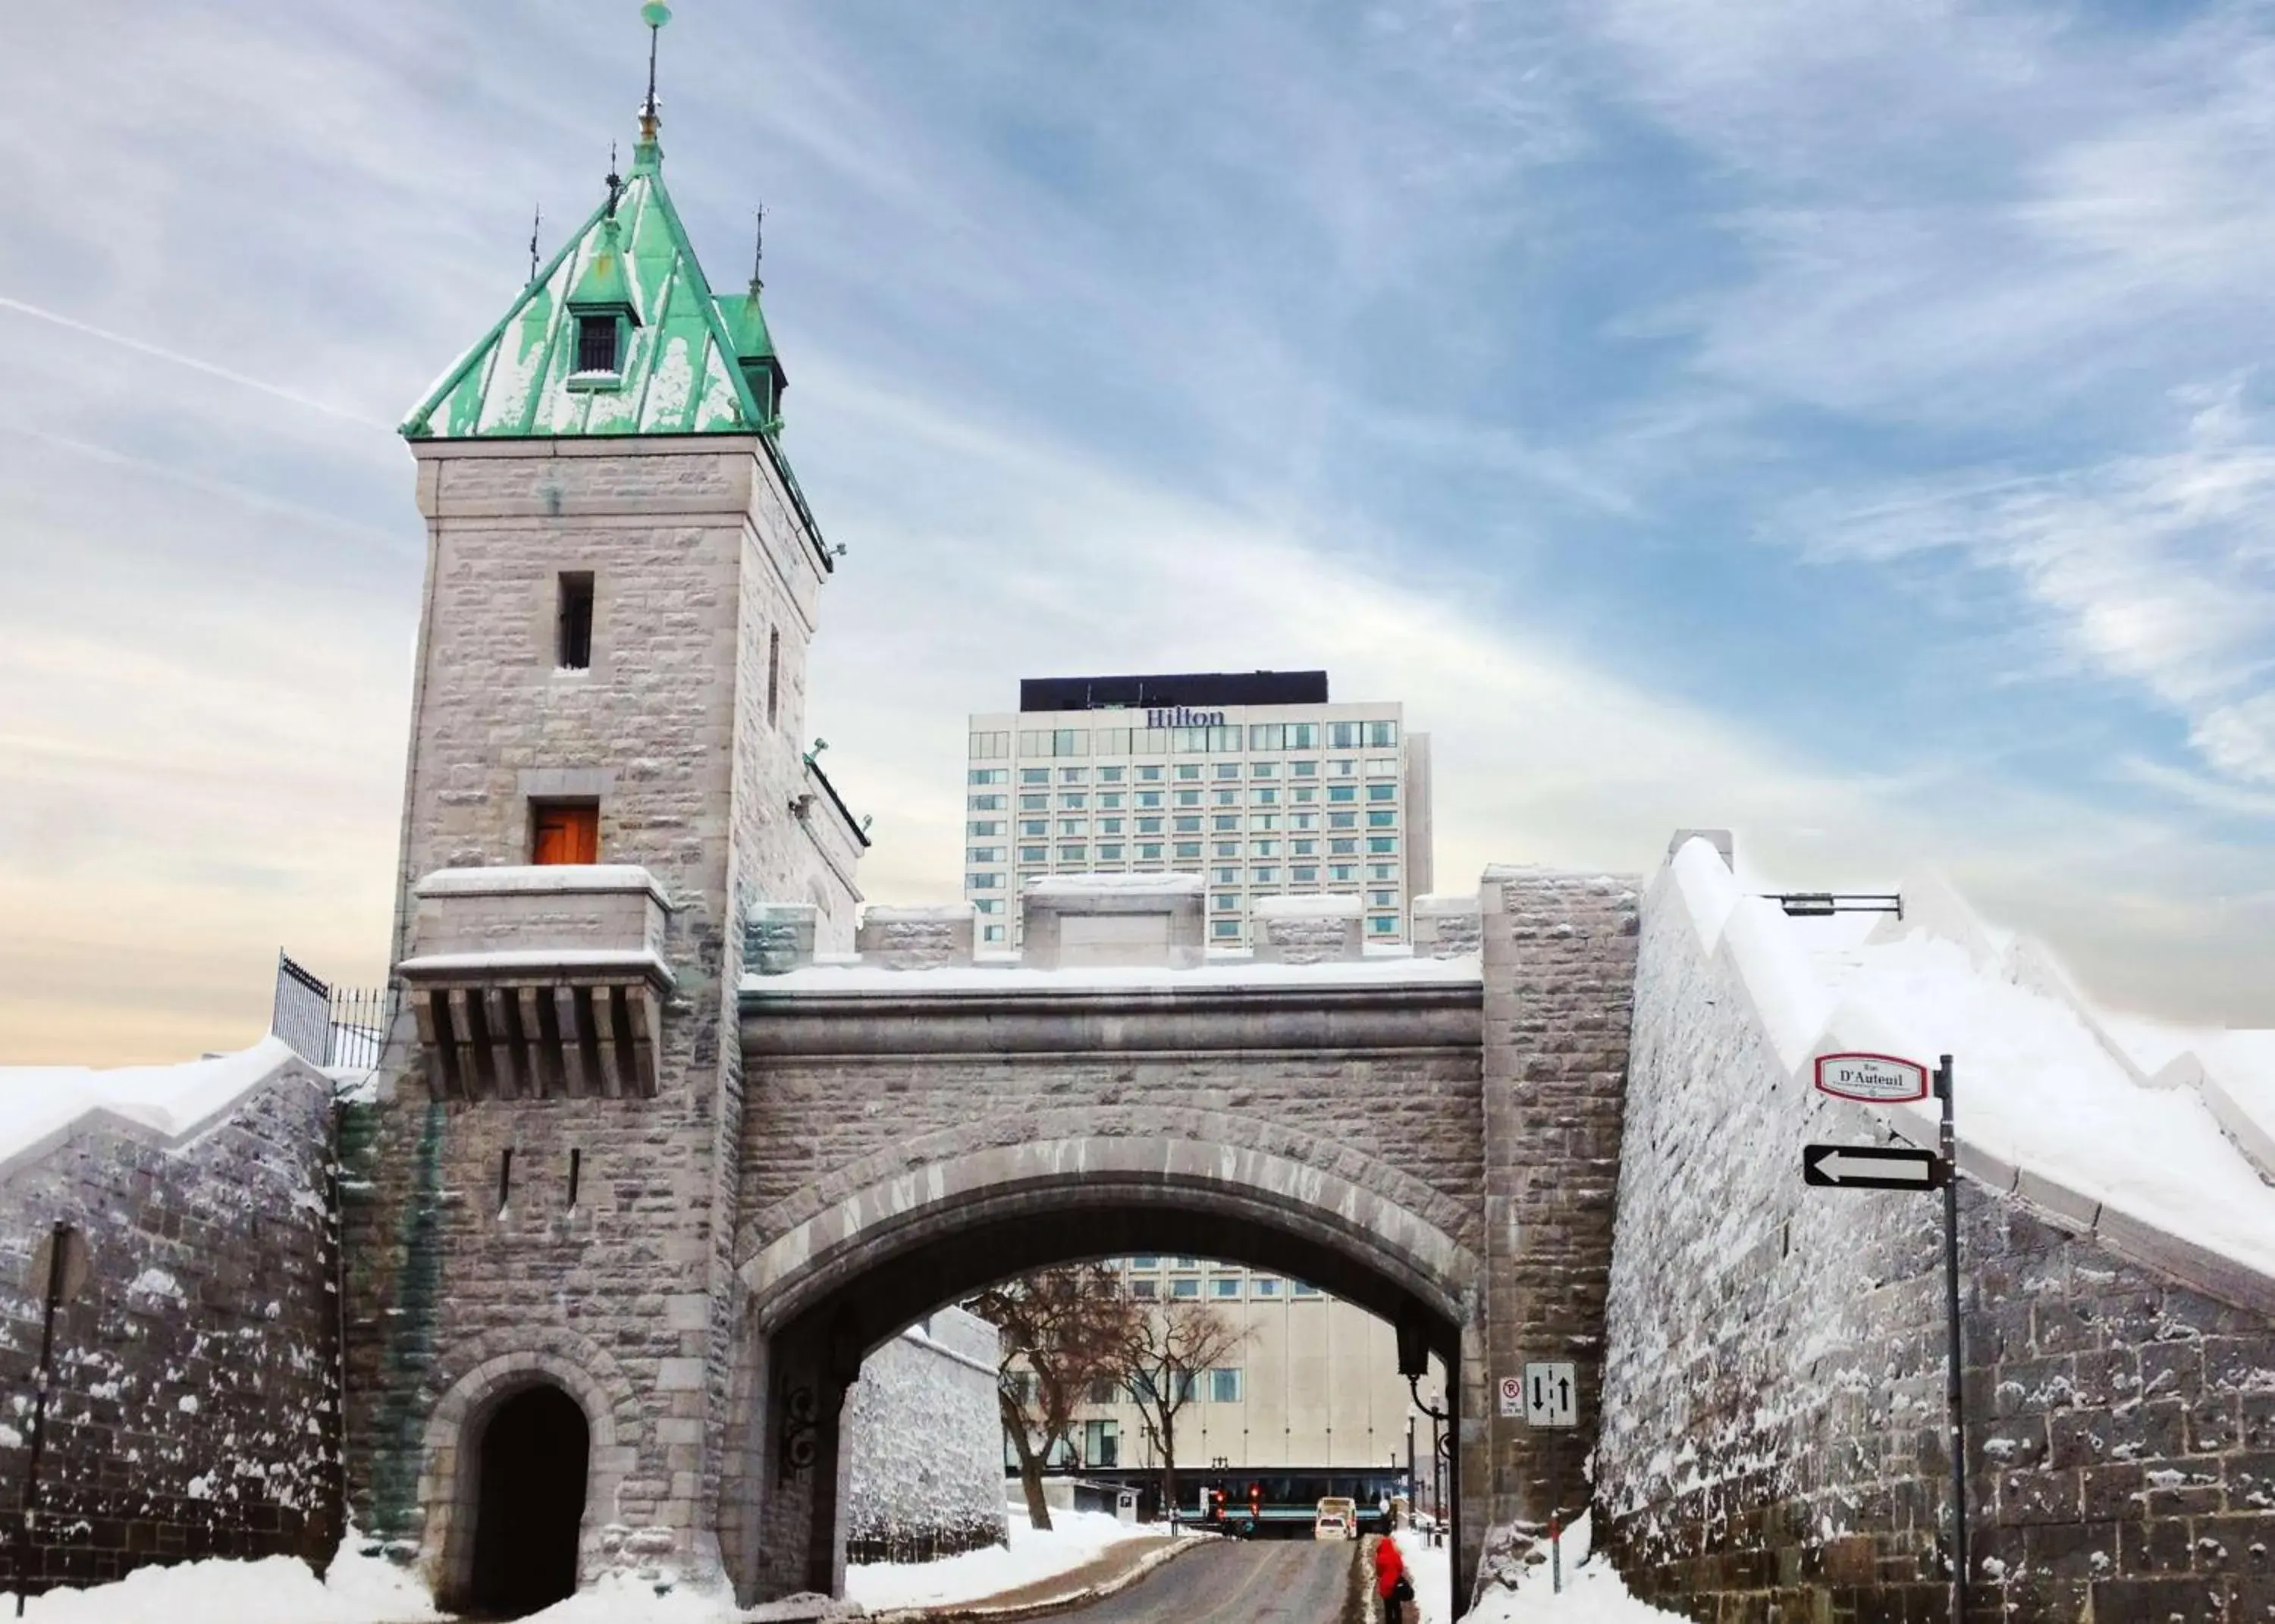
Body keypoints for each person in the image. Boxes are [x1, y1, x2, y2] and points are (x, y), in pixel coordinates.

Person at [1376, 1530, 1414, 1623]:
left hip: (1385, 1586)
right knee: (1397, 1608)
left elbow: (1379, 1573)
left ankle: (1389, 1621)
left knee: (1388, 1608)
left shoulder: (1379, 1558)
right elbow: (1401, 1568)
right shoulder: (1396, 1556)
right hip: (1395, 1585)